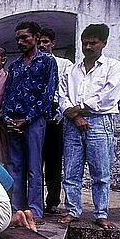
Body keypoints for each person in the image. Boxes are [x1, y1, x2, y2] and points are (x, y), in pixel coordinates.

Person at [58, 24, 120, 229]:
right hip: (72, 125)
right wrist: (74, 115)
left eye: (93, 42)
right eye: (85, 42)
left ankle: (101, 213)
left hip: (99, 122)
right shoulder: (72, 70)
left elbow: (109, 96)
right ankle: (72, 210)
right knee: (71, 171)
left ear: (103, 43)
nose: (88, 46)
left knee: (101, 172)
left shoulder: (113, 67)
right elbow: (62, 96)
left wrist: (78, 110)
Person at [2, 21, 58, 224]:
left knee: (34, 166)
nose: (20, 41)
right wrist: (7, 117)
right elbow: (7, 94)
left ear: (35, 37)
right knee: (15, 166)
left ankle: (35, 210)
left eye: (24, 37)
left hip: (34, 120)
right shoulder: (15, 65)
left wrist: (28, 119)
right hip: (13, 121)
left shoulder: (47, 62)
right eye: (17, 38)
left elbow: (47, 94)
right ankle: (17, 210)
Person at [39, 27, 74, 215]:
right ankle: (35, 201)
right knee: (36, 161)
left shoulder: (65, 64)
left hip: (57, 114)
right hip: (37, 115)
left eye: (46, 42)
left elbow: (66, 90)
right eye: (40, 42)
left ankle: (52, 200)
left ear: (53, 43)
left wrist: (60, 114)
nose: (42, 45)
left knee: (53, 161)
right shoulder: (34, 63)